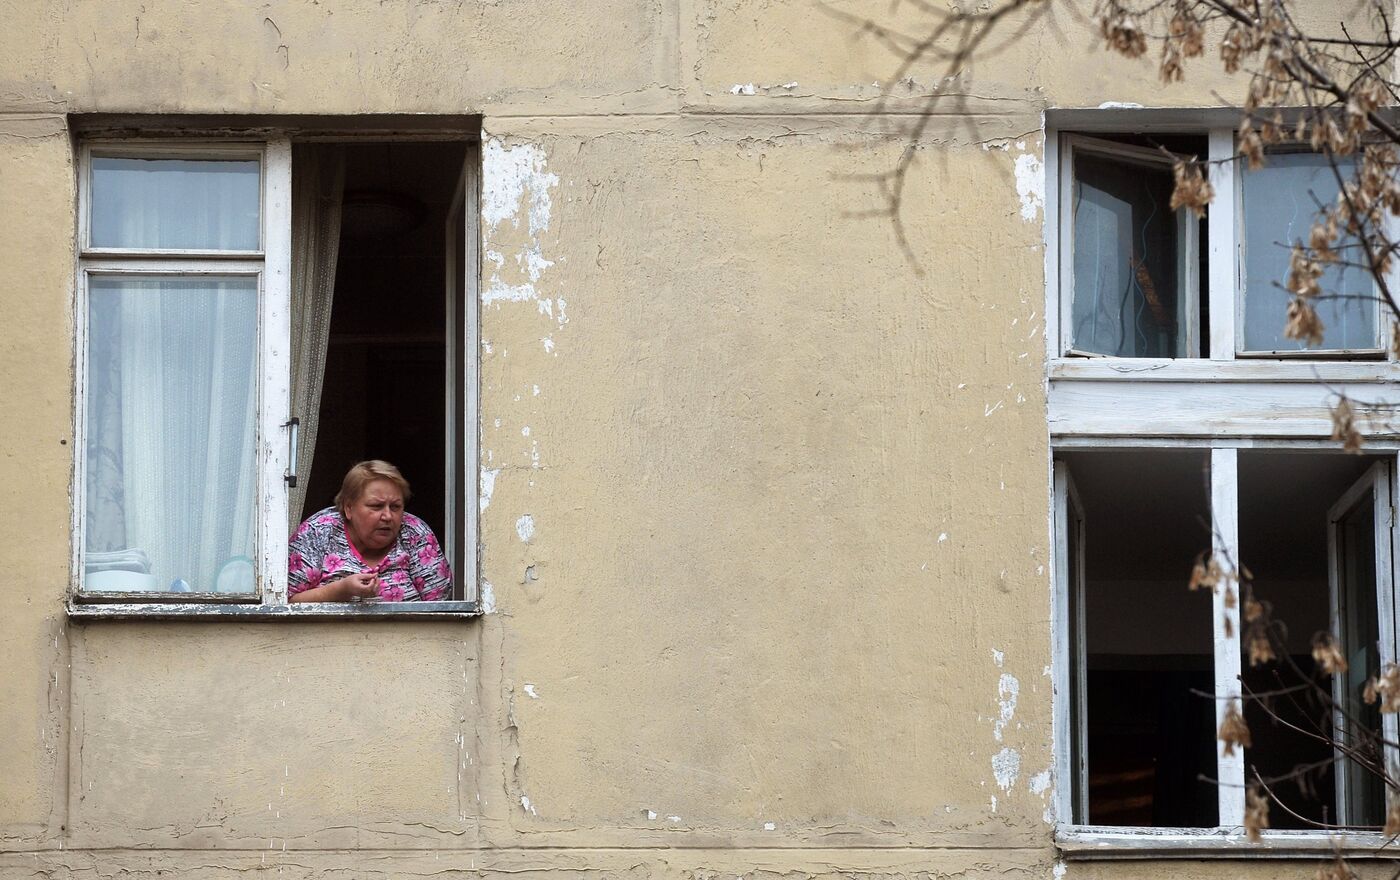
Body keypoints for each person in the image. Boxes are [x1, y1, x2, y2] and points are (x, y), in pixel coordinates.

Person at [288, 460, 452, 602]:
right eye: (376, 506)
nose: (388, 516)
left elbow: (441, 606)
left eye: (395, 507)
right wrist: (340, 590)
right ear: (348, 508)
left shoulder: (415, 533)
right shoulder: (318, 532)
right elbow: (285, 601)